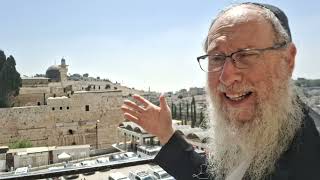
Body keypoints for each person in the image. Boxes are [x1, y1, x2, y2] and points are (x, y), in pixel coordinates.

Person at [121, 2, 320, 180]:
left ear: (287, 60)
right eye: (216, 58)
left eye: (245, 55)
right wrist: (166, 134)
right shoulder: (253, 130)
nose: (226, 76)